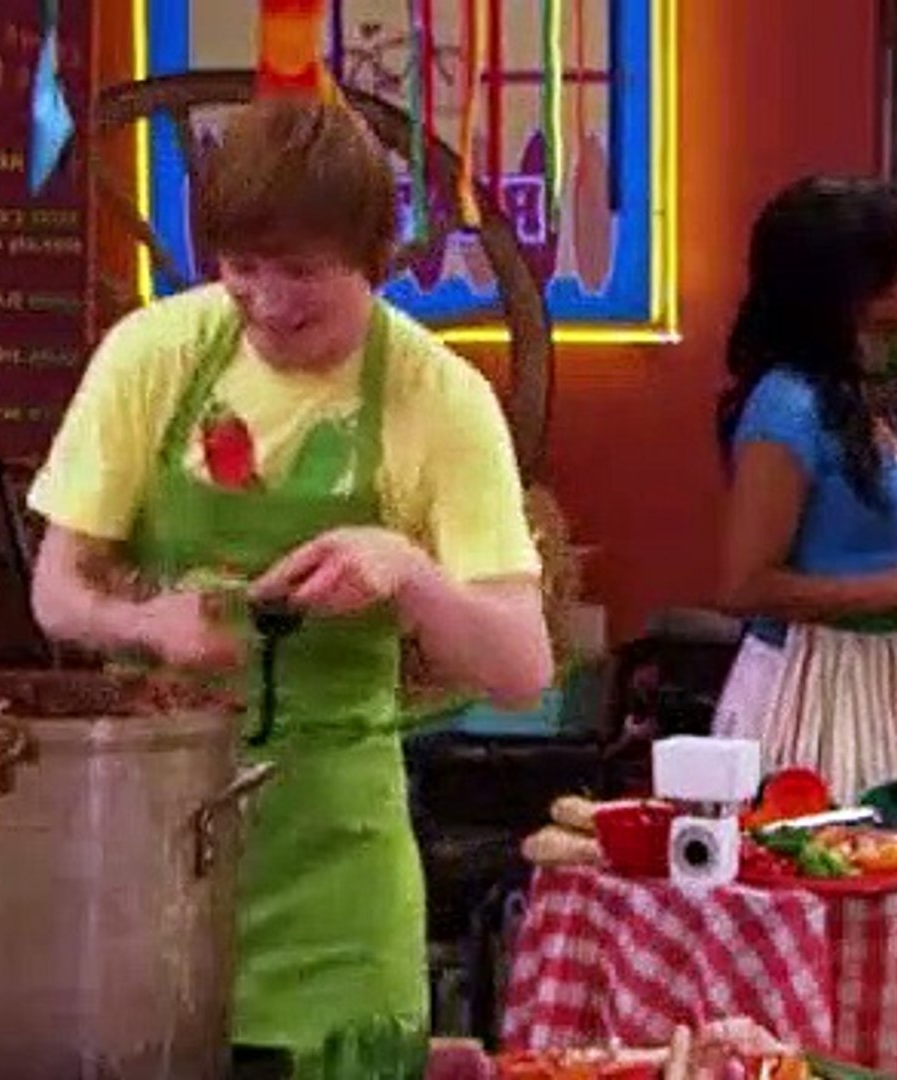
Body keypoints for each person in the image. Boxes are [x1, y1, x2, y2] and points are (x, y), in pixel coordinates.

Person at [27, 98, 552, 1077]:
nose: (268, 302)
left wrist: (408, 573)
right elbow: (56, 591)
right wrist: (143, 622)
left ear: (372, 259)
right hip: (151, 840)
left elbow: (523, 669)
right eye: (243, 269)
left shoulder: (438, 398)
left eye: (303, 273)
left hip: (335, 866)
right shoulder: (154, 354)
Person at [711, 176, 897, 827]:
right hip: (808, 694)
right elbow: (744, 585)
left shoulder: (869, 400)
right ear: (858, 285)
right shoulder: (786, 405)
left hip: (887, 685)